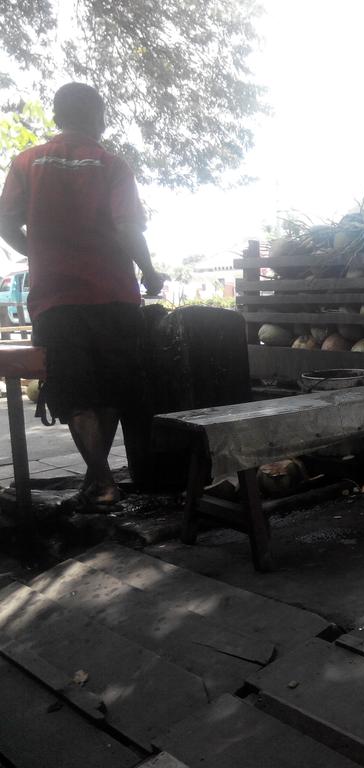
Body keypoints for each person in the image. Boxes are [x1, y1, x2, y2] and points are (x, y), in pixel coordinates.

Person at [0, 82, 164, 508]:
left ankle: (100, 481)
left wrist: (36, 251)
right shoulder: (111, 165)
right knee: (110, 389)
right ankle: (103, 480)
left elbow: (4, 221)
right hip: (113, 294)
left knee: (74, 391)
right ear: (99, 117)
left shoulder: (26, 162)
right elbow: (129, 227)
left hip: (57, 299)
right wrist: (150, 272)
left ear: (57, 117)